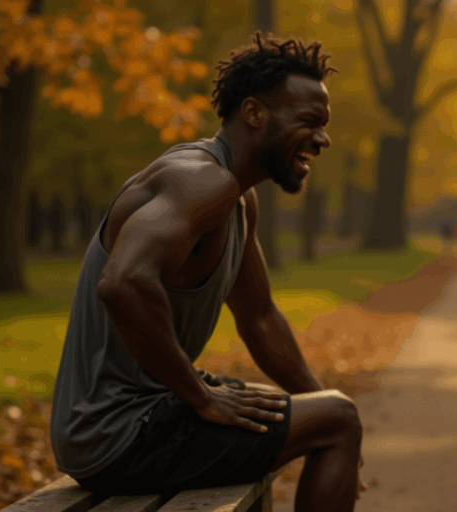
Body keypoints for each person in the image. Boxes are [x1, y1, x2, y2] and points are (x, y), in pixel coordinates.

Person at [49, 33, 365, 511]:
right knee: (340, 420)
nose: (322, 140)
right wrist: (201, 396)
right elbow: (122, 283)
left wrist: (319, 399)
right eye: (309, 122)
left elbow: (259, 317)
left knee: (312, 410)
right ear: (254, 113)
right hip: (117, 432)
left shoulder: (238, 198)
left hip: (134, 421)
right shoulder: (200, 181)